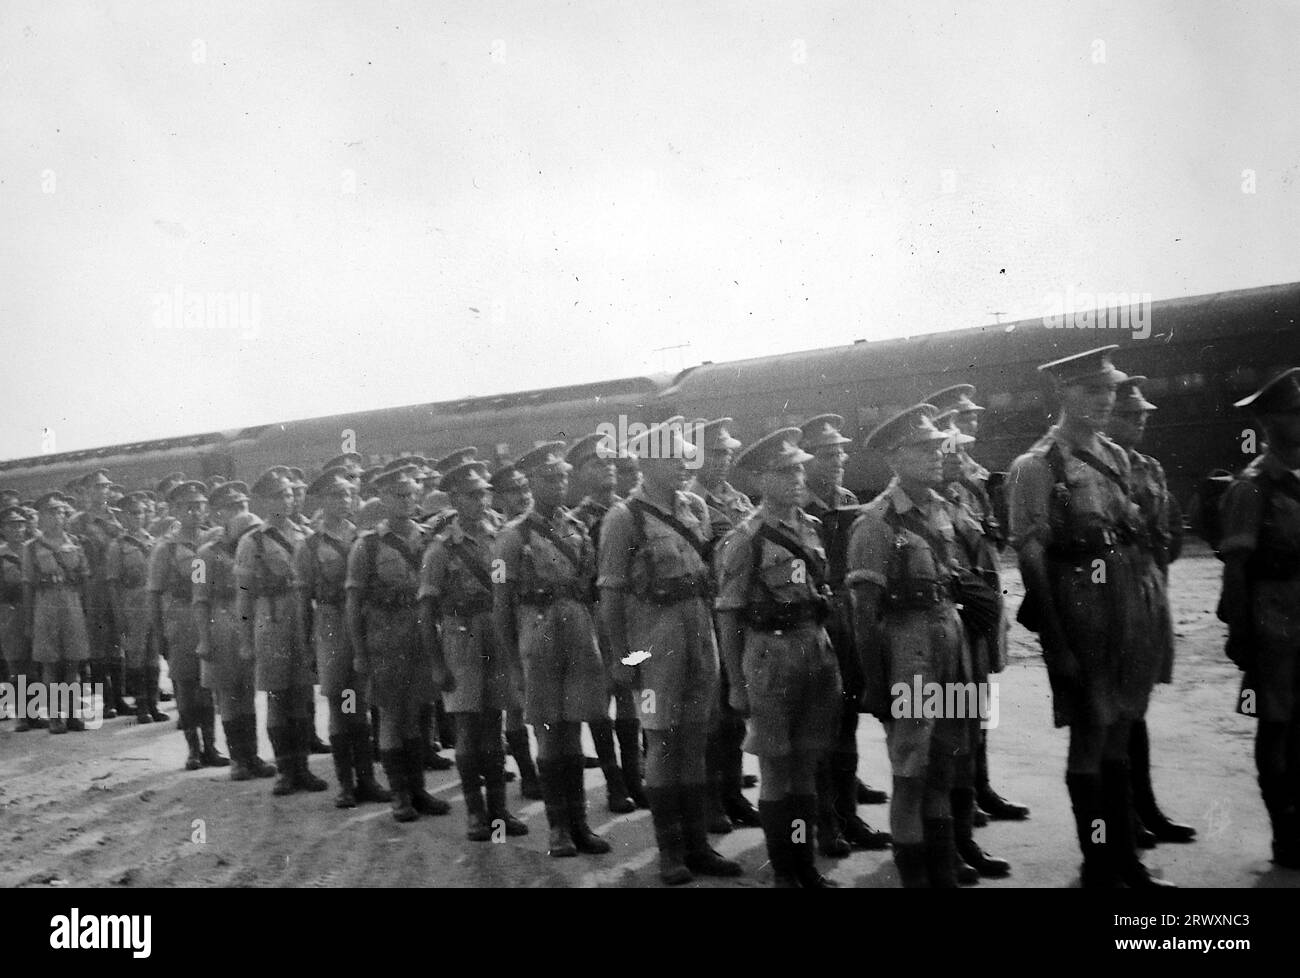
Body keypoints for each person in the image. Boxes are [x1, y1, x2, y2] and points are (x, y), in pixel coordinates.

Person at [1007, 346, 1173, 888]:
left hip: (1127, 610)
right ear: (1063, 394)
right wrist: (1056, 643)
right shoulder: (1036, 467)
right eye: (1091, 391)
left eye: (1108, 390)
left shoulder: (1117, 456)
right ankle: (1098, 863)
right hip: (1081, 616)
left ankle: (1126, 858)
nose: (1104, 401)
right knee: (1090, 738)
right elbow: (1032, 557)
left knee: (1122, 731)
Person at [600, 421, 741, 883]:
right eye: (674, 459)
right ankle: (670, 851)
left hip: (700, 637)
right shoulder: (625, 518)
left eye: (685, 457)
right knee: (662, 740)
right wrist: (623, 662)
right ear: (648, 464)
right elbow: (612, 597)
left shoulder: (695, 507)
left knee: (696, 739)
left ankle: (699, 845)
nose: (685, 464)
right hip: (652, 647)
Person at [846, 406, 973, 886]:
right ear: (896, 457)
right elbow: (863, 614)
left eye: (938, 445)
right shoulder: (874, 523)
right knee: (911, 775)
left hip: (949, 647)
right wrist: (876, 687)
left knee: (944, 764)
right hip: (909, 656)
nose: (937, 454)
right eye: (924, 448)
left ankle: (941, 874)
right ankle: (915, 879)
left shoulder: (941, 509)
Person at [716, 429, 842, 887]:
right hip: (769, 655)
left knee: (806, 765)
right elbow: (729, 615)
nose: (796, 477)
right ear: (761, 479)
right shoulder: (745, 539)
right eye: (785, 471)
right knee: (775, 767)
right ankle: (784, 873)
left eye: (799, 468)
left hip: (814, 648)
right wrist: (734, 681)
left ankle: (804, 865)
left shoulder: (811, 526)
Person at [493, 442, 611, 858]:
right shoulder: (511, 537)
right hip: (537, 640)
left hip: (578, 637)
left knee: (574, 733)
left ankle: (580, 824)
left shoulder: (578, 528)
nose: (558, 484)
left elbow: (592, 592)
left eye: (562, 476)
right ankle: (558, 829)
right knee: (549, 736)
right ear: (530, 483)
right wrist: (512, 666)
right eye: (548, 478)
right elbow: (501, 604)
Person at [926, 385, 1028, 824]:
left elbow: (993, 536)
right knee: (955, 707)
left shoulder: (974, 482)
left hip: (984, 602)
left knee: (979, 699)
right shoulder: (941, 489)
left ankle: (978, 787)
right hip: (959, 607)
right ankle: (959, 799)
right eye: (959, 423)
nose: (969, 430)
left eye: (971, 422)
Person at [1103, 377, 1195, 847]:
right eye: (1130, 415)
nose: (1140, 421)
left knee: (1136, 709)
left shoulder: (1151, 468)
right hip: (1114, 598)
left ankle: (1145, 808)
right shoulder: (1098, 469)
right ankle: (1127, 818)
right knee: (1117, 716)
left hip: (1149, 593)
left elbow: (1170, 532)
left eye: (1143, 415)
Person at [1217, 366, 1300, 869]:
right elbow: (1235, 569)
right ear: (1269, 423)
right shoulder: (1252, 487)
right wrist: (1240, 633)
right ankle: (1284, 833)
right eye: (1295, 413)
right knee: (1276, 726)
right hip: (1273, 627)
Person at [420, 460, 528, 841]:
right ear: (453, 499)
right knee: (466, 729)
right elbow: (426, 610)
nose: (481, 500)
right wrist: (436, 664)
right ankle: (476, 815)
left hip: (495, 635)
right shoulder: (440, 548)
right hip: (460, 639)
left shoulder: (500, 534)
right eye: (472, 495)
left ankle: (499, 813)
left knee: (494, 725)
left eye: (484, 492)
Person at [799, 413, 892, 857]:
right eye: (828, 453)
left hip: (847, 618)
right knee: (822, 728)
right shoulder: (798, 507)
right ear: (807, 460)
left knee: (849, 721)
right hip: (816, 622)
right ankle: (827, 825)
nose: (839, 460)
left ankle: (848, 813)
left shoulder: (847, 499)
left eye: (841, 452)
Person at [346, 465, 452, 822]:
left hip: (420, 637)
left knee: (418, 715)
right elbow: (353, 602)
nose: (406, 502)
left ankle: (419, 789)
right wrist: (359, 652)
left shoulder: (428, 540)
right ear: (383, 499)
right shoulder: (368, 546)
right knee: (392, 717)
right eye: (397, 495)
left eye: (410, 494)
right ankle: (400, 795)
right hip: (385, 640)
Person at [933, 409, 1013, 880]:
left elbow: (992, 541)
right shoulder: (935, 503)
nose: (963, 454)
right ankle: (951, 840)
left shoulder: (964, 493)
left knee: (975, 717)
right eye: (953, 448)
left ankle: (974, 806)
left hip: (978, 617)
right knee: (950, 737)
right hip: (955, 623)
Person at [295, 469, 389, 807]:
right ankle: (346, 784)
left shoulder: (365, 537)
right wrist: (306, 644)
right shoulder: (309, 545)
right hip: (332, 625)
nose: (344, 501)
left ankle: (367, 780)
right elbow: (304, 599)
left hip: (363, 624)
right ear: (322, 501)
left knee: (360, 704)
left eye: (348, 494)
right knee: (339, 703)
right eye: (336, 496)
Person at [686, 418, 762, 834]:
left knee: (735, 713)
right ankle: (711, 801)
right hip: (710, 618)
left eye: (727, 452)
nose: (724, 459)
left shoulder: (738, 499)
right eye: (715, 453)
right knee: (713, 717)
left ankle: (733, 795)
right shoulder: (689, 502)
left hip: (742, 615)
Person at [236, 469, 323, 794]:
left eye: (288, 494)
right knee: (277, 698)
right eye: (277, 496)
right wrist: (245, 641)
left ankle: (302, 768)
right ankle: (286, 771)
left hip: (302, 617)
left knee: (301, 696)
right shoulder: (253, 541)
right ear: (263, 501)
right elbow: (243, 595)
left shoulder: (305, 533)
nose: (285, 501)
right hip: (271, 620)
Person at [567, 431, 639, 813]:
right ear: (579, 474)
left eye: (612, 461)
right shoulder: (574, 522)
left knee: (630, 696)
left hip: (630, 614)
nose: (609, 468)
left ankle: (633, 776)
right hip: (594, 615)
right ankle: (614, 783)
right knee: (600, 700)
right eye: (598, 463)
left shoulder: (631, 512)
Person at [192, 485, 276, 781]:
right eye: (231, 507)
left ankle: (252, 755)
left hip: (248, 620)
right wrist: (203, 638)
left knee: (248, 692)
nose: (239, 511)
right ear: (219, 514)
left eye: (242, 505)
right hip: (220, 624)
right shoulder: (204, 555)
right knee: (228, 693)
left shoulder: (255, 546)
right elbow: (199, 599)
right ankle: (238, 760)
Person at [148, 481, 227, 768]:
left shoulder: (213, 541)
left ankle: (212, 748)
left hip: (207, 616)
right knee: (184, 685)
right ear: (176, 511)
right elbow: (154, 593)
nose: (195, 512)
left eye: (200, 507)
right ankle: (193, 750)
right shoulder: (166, 549)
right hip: (180, 619)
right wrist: (159, 634)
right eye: (188, 507)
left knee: (207, 685)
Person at [490, 459, 542, 801]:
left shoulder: (536, 527)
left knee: (532, 701)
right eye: (513, 491)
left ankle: (540, 766)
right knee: (512, 703)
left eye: (525, 488)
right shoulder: (494, 532)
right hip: (498, 623)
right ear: (499, 498)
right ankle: (527, 773)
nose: (522, 496)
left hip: (527, 622)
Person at [23, 492, 93, 734]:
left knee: (73, 662)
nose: (57, 516)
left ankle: (73, 714)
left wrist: (85, 612)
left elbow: (84, 577)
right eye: (51, 512)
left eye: (61, 512)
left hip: (71, 604)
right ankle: (55, 717)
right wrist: (29, 622)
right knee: (50, 665)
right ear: (40, 517)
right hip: (45, 605)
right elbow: (28, 586)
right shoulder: (31, 548)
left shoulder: (74, 542)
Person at [70, 470, 130, 719]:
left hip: (116, 586)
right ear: (85, 491)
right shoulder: (77, 522)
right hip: (92, 587)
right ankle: (104, 702)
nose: (102, 492)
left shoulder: (117, 518)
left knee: (117, 643)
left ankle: (119, 698)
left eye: (105, 487)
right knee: (97, 647)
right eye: (96, 487)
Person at [104, 492, 164, 724]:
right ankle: (141, 707)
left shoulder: (153, 541)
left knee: (153, 655)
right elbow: (113, 583)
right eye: (132, 514)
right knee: (136, 655)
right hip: (131, 604)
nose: (137, 517)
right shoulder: (117, 546)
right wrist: (119, 615)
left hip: (151, 602)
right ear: (124, 517)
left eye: (140, 512)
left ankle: (153, 704)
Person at [2, 506, 43, 730]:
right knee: (16, 664)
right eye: (11, 525)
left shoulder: (33, 551)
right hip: (9, 612)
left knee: (34, 663)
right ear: (3, 529)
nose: (17, 529)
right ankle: (21, 716)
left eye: (20, 524)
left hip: (36, 608)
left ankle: (34, 713)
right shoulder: (1, 555)